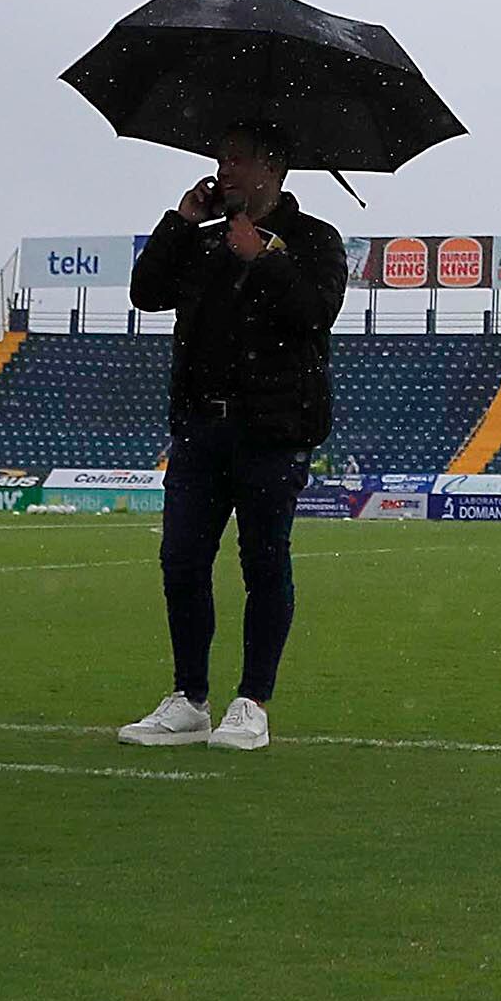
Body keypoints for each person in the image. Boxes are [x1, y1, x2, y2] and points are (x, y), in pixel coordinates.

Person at [118, 124, 346, 753]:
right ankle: (189, 699)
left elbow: (316, 313)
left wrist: (265, 259)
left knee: (263, 562)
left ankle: (252, 702)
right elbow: (146, 293)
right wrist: (180, 221)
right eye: (221, 159)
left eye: (238, 160)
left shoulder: (315, 239)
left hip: (272, 430)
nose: (225, 170)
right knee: (182, 561)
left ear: (273, 168)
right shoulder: (204, 238)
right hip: (200, 427)